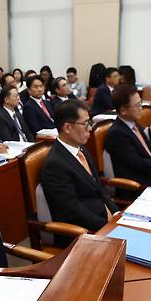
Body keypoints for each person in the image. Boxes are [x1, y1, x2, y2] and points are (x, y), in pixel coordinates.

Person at [41, 100, 119, 247]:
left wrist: (117, 214)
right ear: (67, 127)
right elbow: (72, 211)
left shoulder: (81, 150)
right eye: (85, 124)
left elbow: (99, 189)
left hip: (105, 222)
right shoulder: (55, 164)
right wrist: (107, 227)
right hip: (83, 235)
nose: (89, 128)